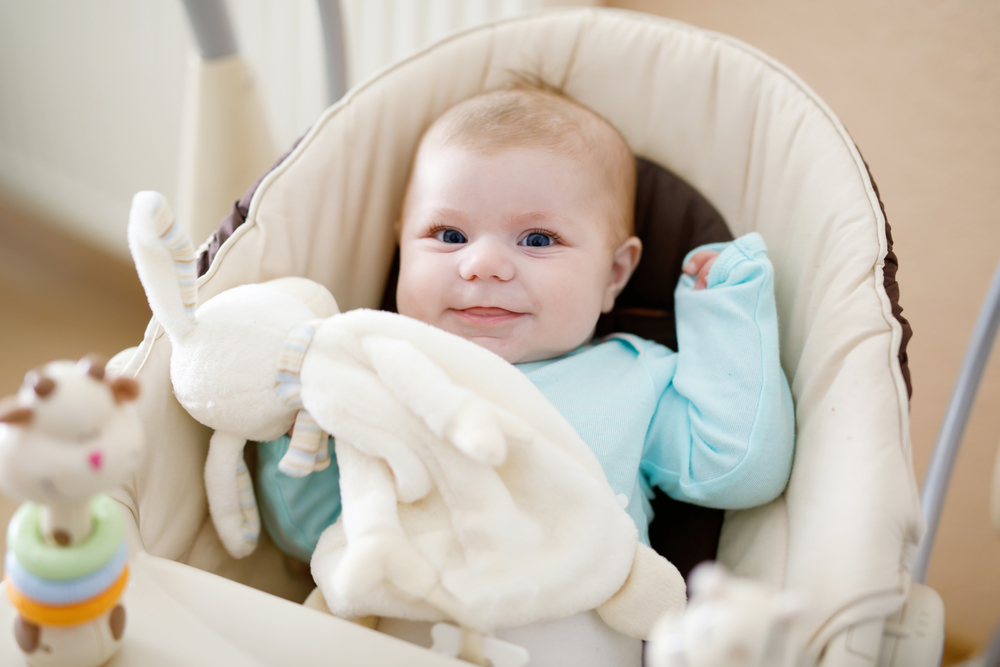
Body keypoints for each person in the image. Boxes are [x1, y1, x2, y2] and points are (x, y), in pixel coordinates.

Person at [254, 85, 794, 563]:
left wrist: (724, 312)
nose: (482, 263)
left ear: (614, 274)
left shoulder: (634, 378)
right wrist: (297, 424)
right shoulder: (374, 371)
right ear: (401, 247)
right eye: (448, 235)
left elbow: (738, 470)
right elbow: (311, 535)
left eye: (537, 240)